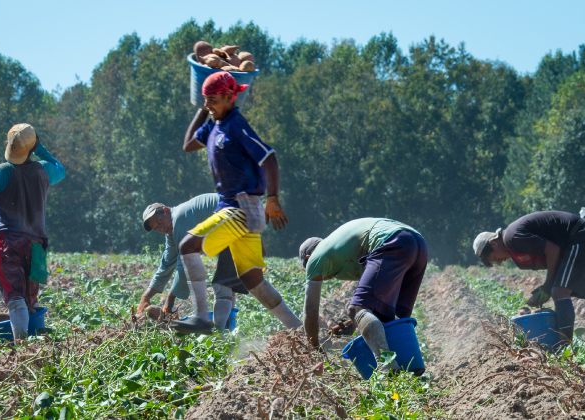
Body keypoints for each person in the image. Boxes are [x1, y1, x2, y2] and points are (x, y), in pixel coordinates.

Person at [169, 71, 301, 335]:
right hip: (232, 208)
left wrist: (272, 198)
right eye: (206, 100)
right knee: (253, 279)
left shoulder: (236, 123)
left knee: (188, 245)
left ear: (231, 97)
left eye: (213, 100)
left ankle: (201, 317)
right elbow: (187, 145)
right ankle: (299, 329)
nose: (209, 105)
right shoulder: (214, 125)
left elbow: (269, 157)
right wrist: (201, 107)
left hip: (241, 207)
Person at [0, 123, 65, 339]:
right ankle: (33, 339)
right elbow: (60, 169)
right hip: (37, 246)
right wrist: (40, 148)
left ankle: (21, 345)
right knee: (30, 298)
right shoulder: (44, 170)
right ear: (32, 149)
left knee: (15, 297)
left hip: (9, 244)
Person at [300, 218, 428, 371]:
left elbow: (310, 313)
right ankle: (409, 364)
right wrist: (352, 323)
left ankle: (386, 366)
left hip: (392, 241)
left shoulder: (316, 258)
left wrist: (314, 347)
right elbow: (374, 301)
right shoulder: (340, 249)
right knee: (386, 316)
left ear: (308, 258)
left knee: (356, 309)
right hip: (417, 244)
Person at [473, 210, 585, 345]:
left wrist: (548, 286)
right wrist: (544, 289)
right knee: (559, 290)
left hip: (583, 237)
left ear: (493, 243)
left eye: (495, 257)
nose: (500, 261)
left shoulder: (512, 238)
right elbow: (555, 261)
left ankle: (566, 347)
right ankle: (563, 345)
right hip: (582, 238)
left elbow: (553, 250)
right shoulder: (514, 244)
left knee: (559, 291)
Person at [139, 193, 248, 329]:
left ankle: (219, 336)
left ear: (166, 210)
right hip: (236, 223)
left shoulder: (179, 217)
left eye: (160, 221)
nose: (161, 228)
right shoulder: (172, 230)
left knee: (222, 284)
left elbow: (184, 265)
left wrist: (170, 299)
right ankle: (227, 328)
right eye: (157, 228)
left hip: (237, 221)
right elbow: (166, 264)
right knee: (227, 284)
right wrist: (146, 296)